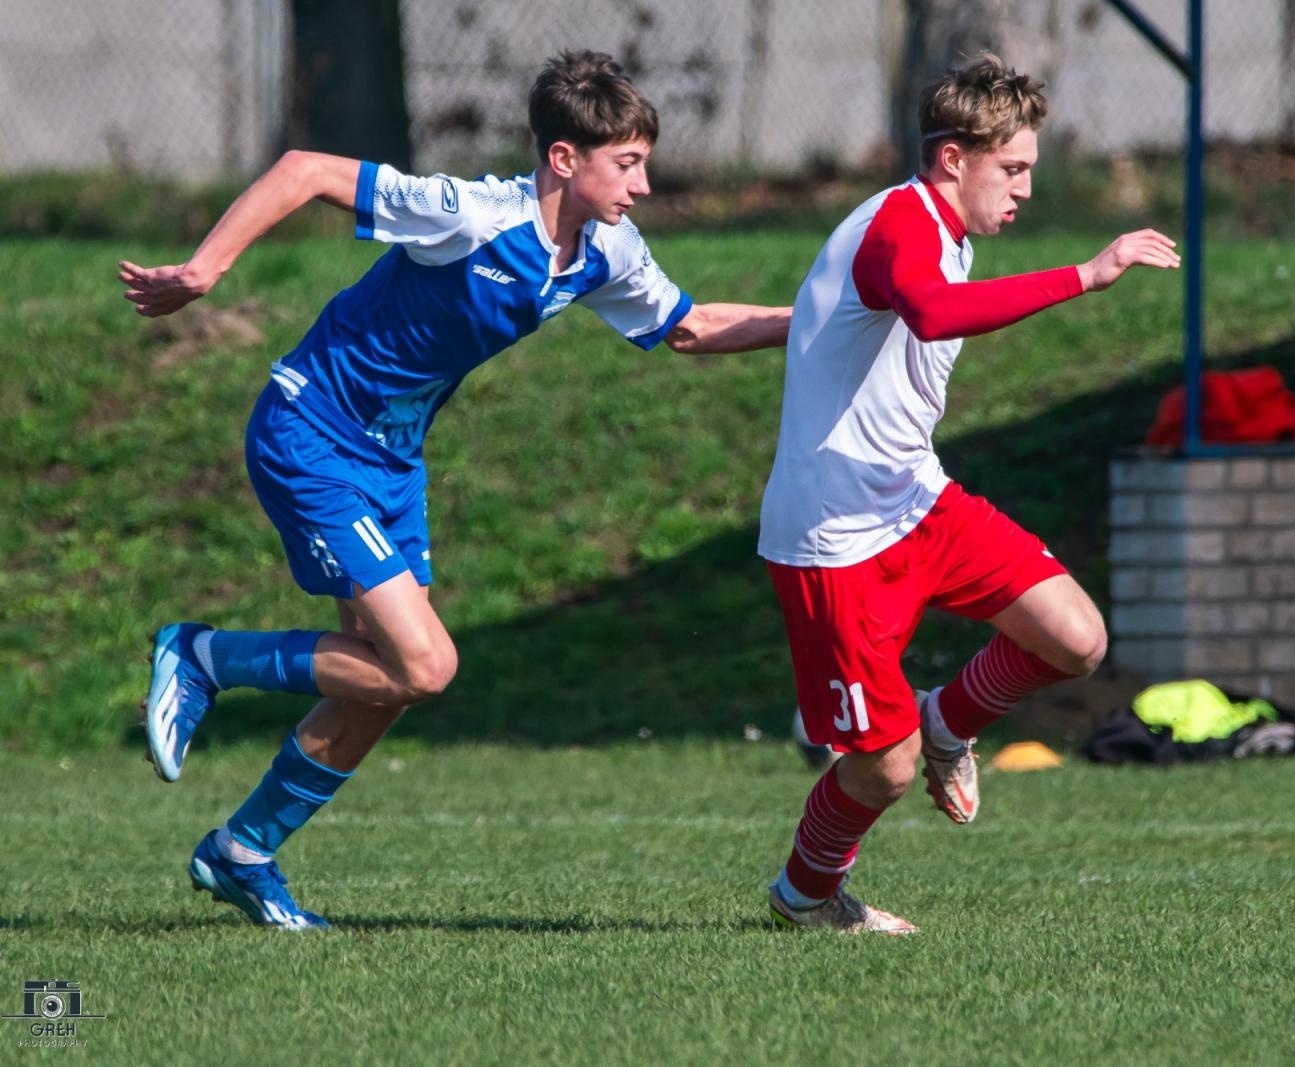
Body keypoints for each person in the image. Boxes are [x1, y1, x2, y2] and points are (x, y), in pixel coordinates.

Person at [124, 50, 790, 930]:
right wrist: (206, 269)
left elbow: (692, 326)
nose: (645, 185)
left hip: (393, 461)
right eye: (627, 163)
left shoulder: (606, 254)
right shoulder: (469, 215)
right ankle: (204, 655)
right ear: (564, 160)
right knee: (426, 664)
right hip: (311, 432)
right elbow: (306, 170)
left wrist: (825, 316)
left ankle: (243, 850)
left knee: (387, 684)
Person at [759, 52, 1179, 933]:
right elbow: (936, 312)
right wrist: (1085, 274)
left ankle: (949, 720)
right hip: (834, 537)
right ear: (954, 157)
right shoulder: (901, 226)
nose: (1025, 189)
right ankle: (805, 893)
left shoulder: (947, 234)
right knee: (882, 769)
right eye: (1013, 168)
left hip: (916, 501)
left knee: (1076, 636)